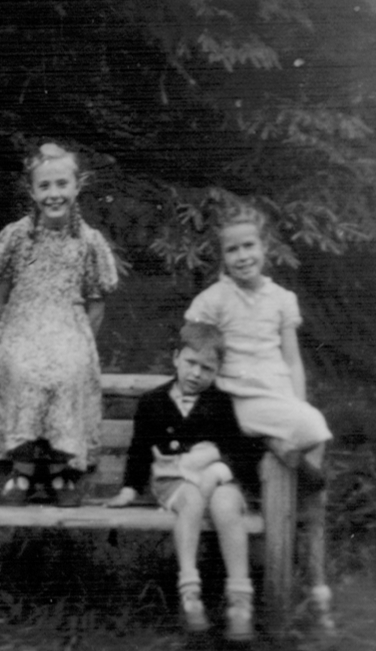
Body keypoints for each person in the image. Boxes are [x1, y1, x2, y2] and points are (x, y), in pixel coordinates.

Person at [0, 141, 118, 507]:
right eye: (45, 186)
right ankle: (21, 471)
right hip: (21, 324)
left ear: (77, 185)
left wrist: (81, 346)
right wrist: (6, 340)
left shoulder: (88, 242)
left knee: (68, 370)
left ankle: (60, 471)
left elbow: (96, 304)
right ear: (32, 191)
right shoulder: (17, 237)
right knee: (22, 368)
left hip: (69, 327)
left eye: (61, 184)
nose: (54, 194)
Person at [108, 321, 265, 641]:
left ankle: (240, 602)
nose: (196, 373)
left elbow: (240, 450)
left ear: (218, 370)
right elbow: (139, 450)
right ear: (176, 358)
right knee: (191, 498)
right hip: (174, 483)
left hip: (219, 482)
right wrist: (128, 490)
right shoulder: (153, 401)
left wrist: (219, 469)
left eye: (207, 368)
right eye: (191, 363)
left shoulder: (221, 402)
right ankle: (189, 593)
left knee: (225, 504)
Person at [184, 202, 332, 483]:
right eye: (232, 250)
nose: (242, 256)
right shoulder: (214, 300)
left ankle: (307, 516)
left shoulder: (281, 299)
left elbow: (292, 360)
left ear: (264, 246)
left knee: (310, 427)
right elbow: (195, 352)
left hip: (277, 392)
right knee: (314, 427)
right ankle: (300, 484)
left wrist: (296, 402)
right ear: (223, 257)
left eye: (249, 246)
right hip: (242, 397)